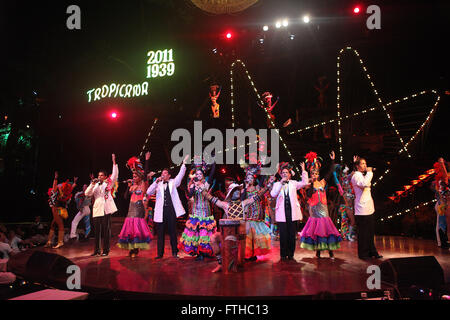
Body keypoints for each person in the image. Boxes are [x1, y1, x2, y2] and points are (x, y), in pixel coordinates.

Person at [299, 151, 342, 259]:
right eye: (313, 174)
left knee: (326, 231)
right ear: (311, 174)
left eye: (316, 174)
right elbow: (308, 196)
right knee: (317, 232)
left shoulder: (323, 182)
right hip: (314, 210)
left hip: (323, 209)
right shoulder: (309, 185)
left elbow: (330, 171)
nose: (315, 175)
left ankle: (330, 252)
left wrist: (332, 160)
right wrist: (311, 183)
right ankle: (318, 252)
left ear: (318, 174)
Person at [146, 155, 189, 259]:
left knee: (172, 232)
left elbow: (180, 175)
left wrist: (184, 164)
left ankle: (175, 252)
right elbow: (148, 192)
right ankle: (160, 254)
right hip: (160, 211)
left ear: (169, 176)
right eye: (162, 173)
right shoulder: (158, 184)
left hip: (171, 211)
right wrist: (155, 182)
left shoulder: (173, 183)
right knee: (160, 233)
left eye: (165, 173)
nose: (163, 175)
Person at [179, 159, 216, 261]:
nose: (199, 175)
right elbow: (190, 195)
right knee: (196, 232)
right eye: (197, 174)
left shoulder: (206, 184)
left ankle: (206, 251)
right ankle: (198, 252)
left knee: (205, 233)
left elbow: (212, 174)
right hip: (196, 211)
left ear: (203, 176)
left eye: (200, 174)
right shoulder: (192, 185)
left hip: (205, 211)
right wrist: (193, 186)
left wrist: (213, 163)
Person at [270, 162, 309, 261]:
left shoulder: (293, 183)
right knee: (283, 235)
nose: (284, 174)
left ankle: (291, 254)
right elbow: (273, 194)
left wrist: (303, 170)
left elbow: (305, 182)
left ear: (290, 174)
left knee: (292, 235)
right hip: (282, 213)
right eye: (283, 173)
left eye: (286, 172)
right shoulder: (277, 184)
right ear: (281, 174)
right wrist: (281, 183)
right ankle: (283, 255)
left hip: (292, 213)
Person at [117, 153, 152, 258]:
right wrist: (128, 186)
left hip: (139, 209)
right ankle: (132, 249)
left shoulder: (143, 185)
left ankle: (135, 249)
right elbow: (125, 196)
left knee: (137, 230)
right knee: (131, 231)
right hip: (131, 209)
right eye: (133, 176)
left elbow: (145, 174)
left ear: (140, 177)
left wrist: (147, 160)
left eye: (135, 176)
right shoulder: (133, 186)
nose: (133, 177)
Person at [85, 154, 118, 257]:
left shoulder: (108, 184)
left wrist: (114, 162)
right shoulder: (94, 186)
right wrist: (92, 184)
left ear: (105, 177)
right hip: (96, 209)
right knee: (97, 231)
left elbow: (115, 174)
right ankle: (97, 250)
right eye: (98, 175)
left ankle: (106, 250)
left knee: (105, 230)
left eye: (101, 175)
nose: (99, 177)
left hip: (105, 208)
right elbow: (87, 193)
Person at [351, 157, 382, 260]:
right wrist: (369, 173)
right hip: (361, 209)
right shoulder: (356, 176)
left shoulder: (362, 176)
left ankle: (372, 251)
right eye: (363, 164)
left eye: (365, 163)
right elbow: (364, 184)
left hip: (368, 207)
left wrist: (368, 175)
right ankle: (363, 253)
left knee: (370, 232)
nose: (365, 165)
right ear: (357, 166)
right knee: (363, 233)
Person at [242, 164, 272, 261]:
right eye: (248, 178)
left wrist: (261, 166)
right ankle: (248, 254)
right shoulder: (244, 190)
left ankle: (254, 254)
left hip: (257, 214)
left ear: (254, 179)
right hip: (248, 214)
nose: (250, 179)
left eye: (251, 178)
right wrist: (245, 188)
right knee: (248, 235)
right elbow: (241, 200)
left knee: (256, 235)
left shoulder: (257, 188)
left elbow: (263, 178)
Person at [45, 172, 78, 249]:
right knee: (53, 224)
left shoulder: (62, 192)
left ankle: (60, 242)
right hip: (58, 208)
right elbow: (71, 187)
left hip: (57, 209)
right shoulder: (66, 191)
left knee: (60, 225)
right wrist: (74, 182)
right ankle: (49, 241)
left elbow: (54, 187)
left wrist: (55, 178)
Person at [332, 158, 357, 241]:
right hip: (345, 204)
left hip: (350, 203)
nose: (347, 169)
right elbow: (334, 175)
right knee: (346, 220)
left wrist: (354, 163)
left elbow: (354, 173)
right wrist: (333, 164)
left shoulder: (348, 177)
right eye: (345, 168)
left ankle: (348, 235)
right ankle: (347, 235)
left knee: (349, 220)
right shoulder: (340, 182)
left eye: (347, 168)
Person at [432, 157, 449, 248]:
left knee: (443, 223)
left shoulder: (441, 179)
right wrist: (441, 163)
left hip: (443, 202)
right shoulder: (441, 178)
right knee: (441, 223)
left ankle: (443, 242)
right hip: (441, 203)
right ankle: (442, 242)